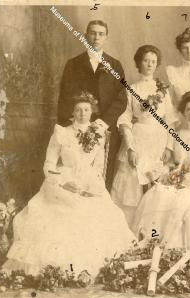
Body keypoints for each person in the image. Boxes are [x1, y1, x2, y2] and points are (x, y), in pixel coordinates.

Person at [3, 92, 136, 277]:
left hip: (89, 182)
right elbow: (48, 165)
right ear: (72, 112)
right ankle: (59, 271)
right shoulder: (61, 133)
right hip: (62, 182)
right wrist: (64, 183)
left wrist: (92, 187)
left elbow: (98, 168)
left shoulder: (98, 134)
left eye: (86, 109)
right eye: (78, 110)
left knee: (100, 213)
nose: (82, 113)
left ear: (92, 112)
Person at [111, 45, 178, 226]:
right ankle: (130, 229)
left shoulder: (163, 89)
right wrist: (130, 147)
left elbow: (170, 120)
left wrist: (169, 147)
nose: (149, 64)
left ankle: (151, 231)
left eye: (153, 61)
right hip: (139, 137)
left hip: (159, 139)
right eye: (146, 60)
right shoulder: (132, 88)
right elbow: (125, 118)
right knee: (132, 183)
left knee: (157, 184)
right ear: (139, 63)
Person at [57, 20, 127, 190]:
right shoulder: (73, 64)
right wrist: (73, 124)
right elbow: (65, 97)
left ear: (106, 38)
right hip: (78, 126)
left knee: (102, 174)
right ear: (86, 35)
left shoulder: (115, 65)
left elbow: (121, 98)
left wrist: (102, 123)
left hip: (105, 128)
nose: (96, 37)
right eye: (93, 33)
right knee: (75, 173)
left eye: (101, 34)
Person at [132, 92, 190, 248]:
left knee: (180, 200)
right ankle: (152, 240)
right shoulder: (177, 134)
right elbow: (173, 160)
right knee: (157, 194)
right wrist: (165, 174)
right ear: (182, 112)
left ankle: (170, 244)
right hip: (177, 172)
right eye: (188, 110)